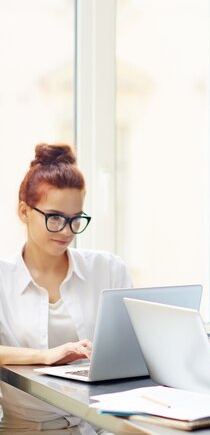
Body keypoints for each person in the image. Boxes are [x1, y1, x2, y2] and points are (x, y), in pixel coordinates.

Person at [0, 143, 132, 434]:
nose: (67, 232)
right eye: (55, 218)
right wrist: (45, 355)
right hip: (25, 429)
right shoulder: (3, 279)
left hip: (97, 425)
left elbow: (133, 349)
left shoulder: (108, 269)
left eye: (76, 220)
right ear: (24, 211)